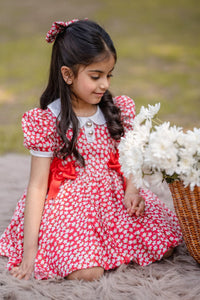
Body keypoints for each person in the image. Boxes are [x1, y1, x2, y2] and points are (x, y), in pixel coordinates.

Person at [0, 19, 182, 281]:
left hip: (111, 198)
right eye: (96, 76)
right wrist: (31, 251)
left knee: (163, 241)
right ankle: (78, 251)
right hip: (70, 205)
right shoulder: (48, 120)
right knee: (87, 272)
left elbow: (128, 157)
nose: (105, 84)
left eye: (109, 75)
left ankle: (108, 247)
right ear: (67, 74)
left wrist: (132, 189)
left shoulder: (115, 111)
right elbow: (38, 186)